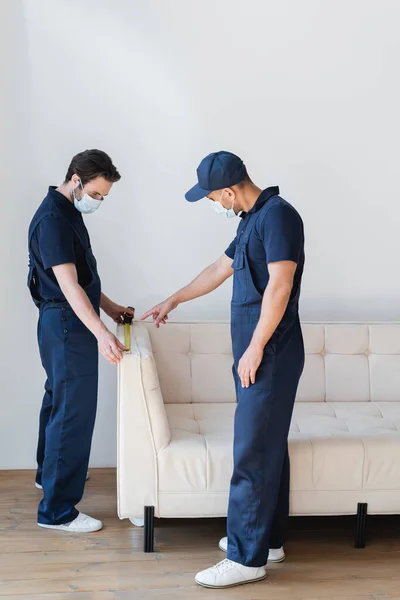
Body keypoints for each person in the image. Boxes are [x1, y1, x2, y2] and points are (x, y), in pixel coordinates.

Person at [141, 151, 305, 589]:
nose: (215, 204)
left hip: (269, 352)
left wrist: (254, 348)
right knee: (267, 444)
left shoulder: (279, 217)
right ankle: (267, 541)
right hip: (257, 352)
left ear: (229, 190)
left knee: (251, 450)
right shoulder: (249, 218)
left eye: (214, 197)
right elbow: (220, 268)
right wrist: (173, 299)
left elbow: (281, 284)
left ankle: (245, 558)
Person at [28, 149, 133, 533]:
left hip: (65, 322)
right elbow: (69, 287)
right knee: (73, 411)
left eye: (104, 196)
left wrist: (112, 309)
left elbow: (83, 278)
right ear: (76, 179)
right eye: (97, 194)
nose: (99, 201)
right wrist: (102, 332)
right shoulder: (54, 219)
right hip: (69, 324)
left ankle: (48, 475)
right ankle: (57, 511)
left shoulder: (66, 211)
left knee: (58, 398)